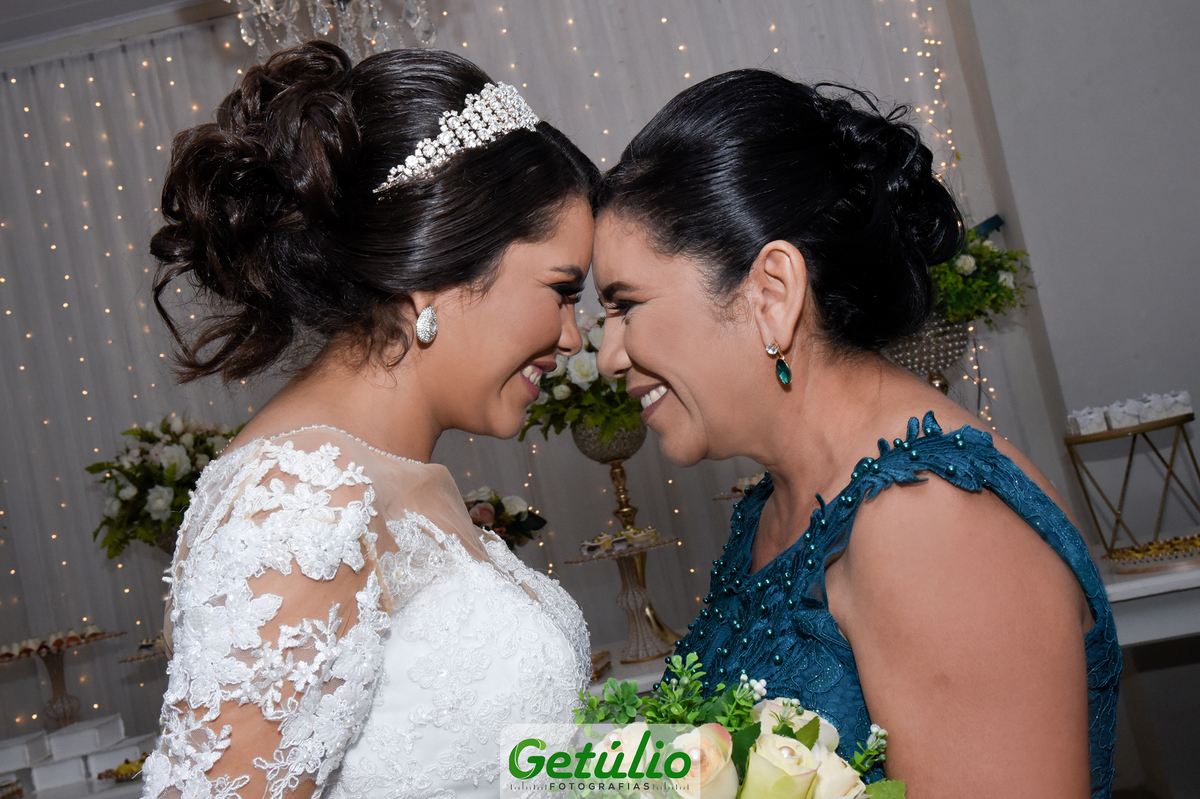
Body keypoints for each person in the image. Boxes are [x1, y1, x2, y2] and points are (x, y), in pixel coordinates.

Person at [592, 70, 1119, 798]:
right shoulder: (775, 504)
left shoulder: (934, 522)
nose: (608, 356)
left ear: (772, 292)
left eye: (626, 306)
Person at [141, 41, 598, 799]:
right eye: (561, 290)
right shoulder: (297, 501)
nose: (574, 336)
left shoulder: (404, 475)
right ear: (435, 270)